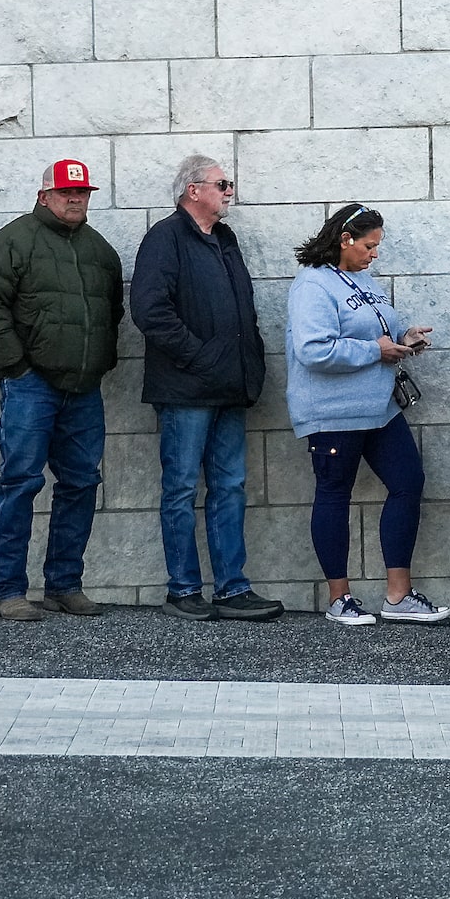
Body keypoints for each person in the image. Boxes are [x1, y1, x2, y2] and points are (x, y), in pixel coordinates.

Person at [0, 158, 122, 624]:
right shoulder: (12, 242)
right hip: (31, 385)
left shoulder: (100, 250)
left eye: (83, 193)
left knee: (80, 484)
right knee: (20, 483)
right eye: (66, 192)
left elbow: (111, 311)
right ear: (43, 196)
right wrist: (15, 367)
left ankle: (63, 585)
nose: (75, 199)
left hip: (84, 388)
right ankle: (9, 590)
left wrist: (99, 363)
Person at [131, 153, 281, 622]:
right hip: (185, 389)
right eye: (222, 184)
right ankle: (183, 589)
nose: (229, 191)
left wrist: (244, 364)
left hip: (228, 387)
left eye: (228, 184)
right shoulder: (165, 238)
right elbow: (149, 311)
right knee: (179, 488)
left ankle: (232, 589)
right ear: (193, 190)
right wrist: (200, 357)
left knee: (230, 487)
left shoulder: (224, 239)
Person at [285, 203, 447, 627]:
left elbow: (373, 333)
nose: (375, 254)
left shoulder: (361, 279)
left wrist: (402, 339)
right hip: (333, 412)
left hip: (380, 409)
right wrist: (376, 350)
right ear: (344, 240)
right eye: (369, 246)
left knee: (408, 482)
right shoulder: (312, 285)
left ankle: (398, 596)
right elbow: (312, 349)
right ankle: (340, 599)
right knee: (335, 493)